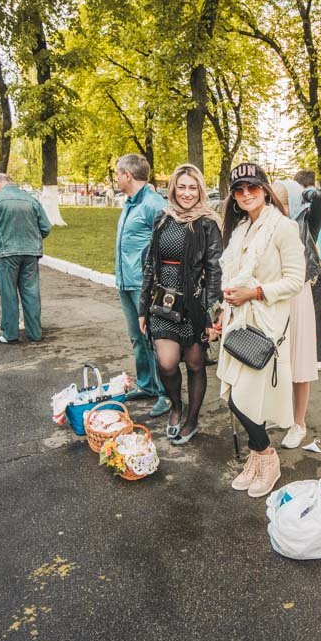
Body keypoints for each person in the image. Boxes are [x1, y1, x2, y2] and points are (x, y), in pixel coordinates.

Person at [216, 163, 305, 499]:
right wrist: (224, 310)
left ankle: (268, 457)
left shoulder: (283, 228)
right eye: (239, 189)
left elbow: (295, 280)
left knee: (243, 399)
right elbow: (232, 276)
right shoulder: (240, 230)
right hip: (237, 322)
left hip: (265, 326)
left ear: (265, 189)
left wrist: (254, 293)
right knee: (235, 399)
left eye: (252, 187)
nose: (246, 194)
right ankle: (258, 457)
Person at [138, 164, 223, 446]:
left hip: (195, 304)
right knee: (167, 363)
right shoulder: (163, 218)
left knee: (196, 364)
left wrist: (211, 314)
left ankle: (192, 419)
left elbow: (214, 270)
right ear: (173, 187)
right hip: (162, 301)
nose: (187, 193)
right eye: (182, 186)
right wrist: (142, 307)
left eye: (193, 187)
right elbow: (151, 264)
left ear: (200, 189)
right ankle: (176, 406)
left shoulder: (208, 222)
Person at [114, 153, 171, 418]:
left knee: (154, 339)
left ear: (128, 175)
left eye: (117, 173)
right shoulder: (129, 203)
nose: (116, 178)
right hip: (126, 282)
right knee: (137, 338)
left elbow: (165, 246)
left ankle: (165, 393)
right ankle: (146, 385)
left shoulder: (153, 203)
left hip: (144, 284)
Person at [270, 180, 321, 449]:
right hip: (273, 298)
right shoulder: (267, 225)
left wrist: (307, 193)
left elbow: (318, 202)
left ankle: (298, 423)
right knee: (276, 360)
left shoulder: (306, 224)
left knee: (299, 362)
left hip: (297, 297)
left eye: (283, 202)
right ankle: (280, 413)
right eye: (273, 201)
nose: (277, 207)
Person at [0, 172, 52, 344]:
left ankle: (10, 334)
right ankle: (35, 333)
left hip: (6, 253)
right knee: (31, 292)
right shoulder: (31, 199)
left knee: (8, 293)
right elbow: (46, 227)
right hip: (31, 252)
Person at [296, 170, 321, 365]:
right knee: (316, 309)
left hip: (307, 262)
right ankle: (318, 356)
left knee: (303, 310)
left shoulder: (302, 207)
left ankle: (307, 355)